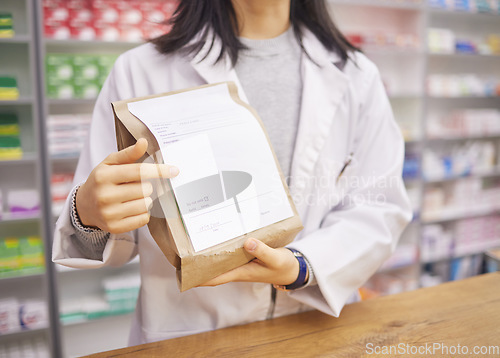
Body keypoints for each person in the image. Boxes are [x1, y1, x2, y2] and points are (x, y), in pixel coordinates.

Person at [52, 0, 412, 346]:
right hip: (193, 337)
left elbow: (379, 208)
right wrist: (89, 216)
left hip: (318, 331)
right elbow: (106, 235)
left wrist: (303, 266)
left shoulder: (356, 76)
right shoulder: (143, 70)